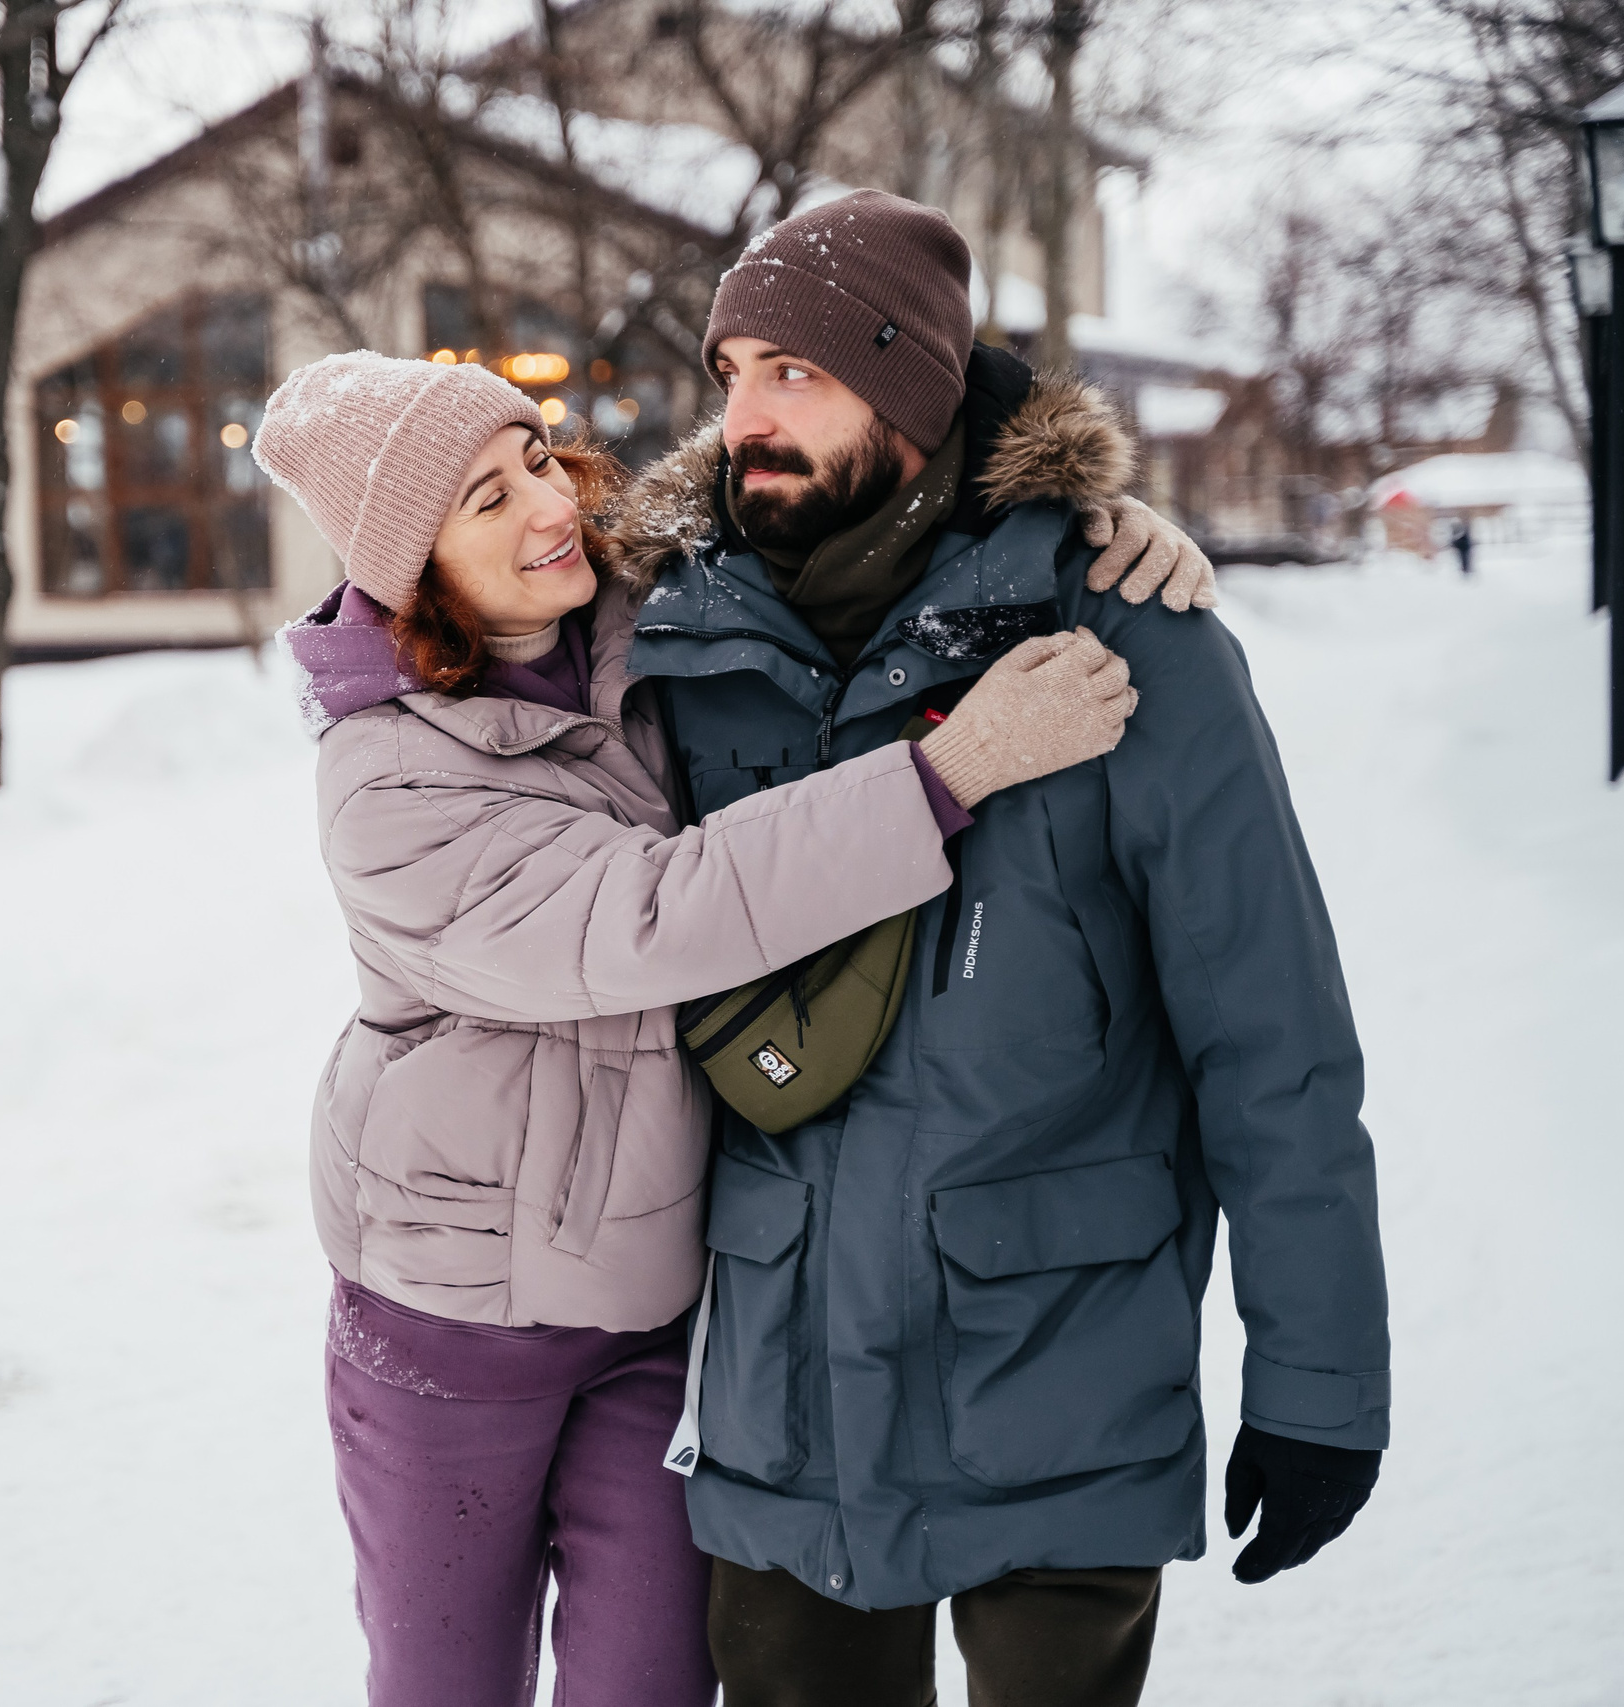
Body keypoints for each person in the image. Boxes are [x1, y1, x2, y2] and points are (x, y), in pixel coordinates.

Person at [252, 349, 1206, 1705]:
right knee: (445, 1684)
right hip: (451, 1323)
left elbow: (848, 519)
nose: (549, 506)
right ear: (409, 567)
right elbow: (654, 912)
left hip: (652, 1302)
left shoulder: (647, 623)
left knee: (651, 1682)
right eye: (485, 499)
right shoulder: (385, 781)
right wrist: (950, 770)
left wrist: (1080, 530)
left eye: (536, 458)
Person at [603, 189, 1390, 1706]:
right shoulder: (675, 640)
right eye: (732, 372)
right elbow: (465, 606)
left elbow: (1271, 1035)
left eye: (795, 373)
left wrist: (1321, 1380)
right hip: (782, 1390)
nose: (743, 417)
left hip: (1060, 1364)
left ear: (909, 388)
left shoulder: (1121, 635)